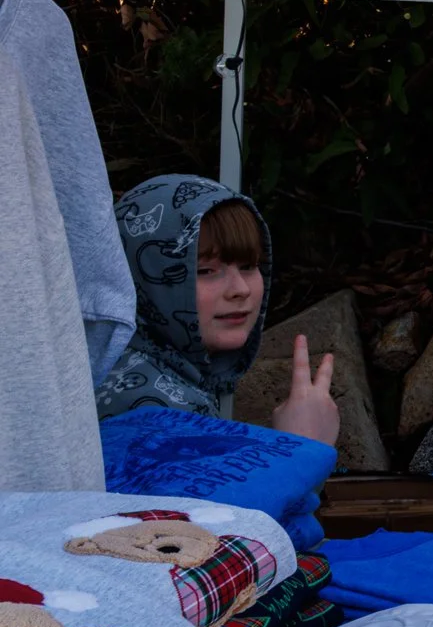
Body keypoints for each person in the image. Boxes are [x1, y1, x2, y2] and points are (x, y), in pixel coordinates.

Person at [96, 174, 340, 444]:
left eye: (248, 266)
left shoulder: (140, 371)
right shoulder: (152, 410)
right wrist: (303, 445)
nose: (241, 289)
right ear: (147, 277)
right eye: (205, 271)